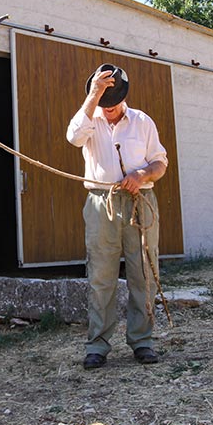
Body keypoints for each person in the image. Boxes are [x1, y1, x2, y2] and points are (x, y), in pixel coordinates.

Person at [66, 63, 168, 369]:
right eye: (104, 103)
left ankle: (143, 341)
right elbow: (72, 137)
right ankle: (97, 345)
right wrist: (94, 94)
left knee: (143, 273)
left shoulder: (142, 121)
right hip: (101, 202)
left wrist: (142, 173)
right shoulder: (89, 118)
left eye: (113, 103)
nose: (108, 109)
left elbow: (160, 163)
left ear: (123, 97)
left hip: (141, 201)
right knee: (101, 275)